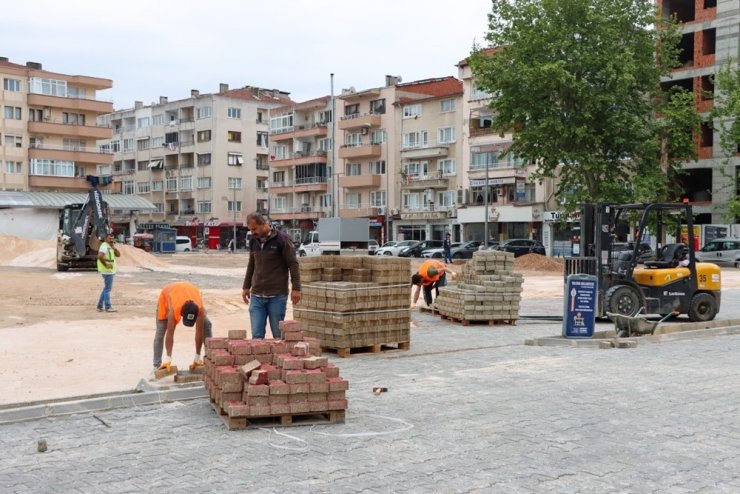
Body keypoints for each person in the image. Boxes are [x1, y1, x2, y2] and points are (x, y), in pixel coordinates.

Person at [241, 212, 301, 339]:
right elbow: (251, 265)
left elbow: (293, 264)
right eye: (250, 230)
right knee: (257, 336)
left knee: (278, 336)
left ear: (263, 224)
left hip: (277, 296)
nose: (252, 233)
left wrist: (296, 288)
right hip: (257, 296)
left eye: (254, 229)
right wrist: (246, 287)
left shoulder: (282, 240)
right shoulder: (254, 241)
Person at [153, 281, 213, 372]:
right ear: (181, 313)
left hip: (189, 291)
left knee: (207, 324)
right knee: (160, 332)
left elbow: (199, 331)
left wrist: (197, 356)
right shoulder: (173, 310)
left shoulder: (200, 309)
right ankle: (156, 365)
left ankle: (209, 358)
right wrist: (168, 359)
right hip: (167, 298)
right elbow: (170, 333)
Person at [96, 232, 120, 312]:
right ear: (105, 238)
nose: (111, 240)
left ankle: (99, 305)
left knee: (106, 288)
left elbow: (118, 255)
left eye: (112, 239)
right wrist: (106, 265)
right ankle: (108, 306)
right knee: (107, 289)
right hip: (107, 271)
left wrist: (114, 248)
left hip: (109, 270)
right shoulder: (104, 246)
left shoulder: (110, 246)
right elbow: (100, 256)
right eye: (109, 238)